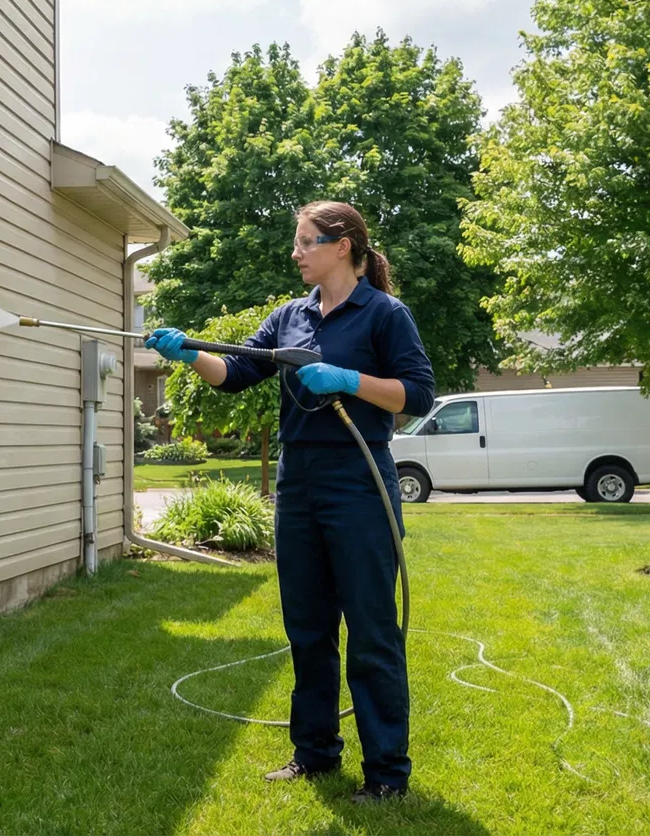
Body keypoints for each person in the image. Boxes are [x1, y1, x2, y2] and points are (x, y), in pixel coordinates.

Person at [144, 200, 435, 802]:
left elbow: (419, 395)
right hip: (298, 484)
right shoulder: (290, 316)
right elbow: (235, 372)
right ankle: (315, 754)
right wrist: (186, 354)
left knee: (373, 633)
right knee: (307, 628)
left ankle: (386, 775)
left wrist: (349, 380)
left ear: (343, 246)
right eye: (297, 242)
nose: (296, 253)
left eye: (306, 242)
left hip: (359, 481)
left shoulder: (384, 315)